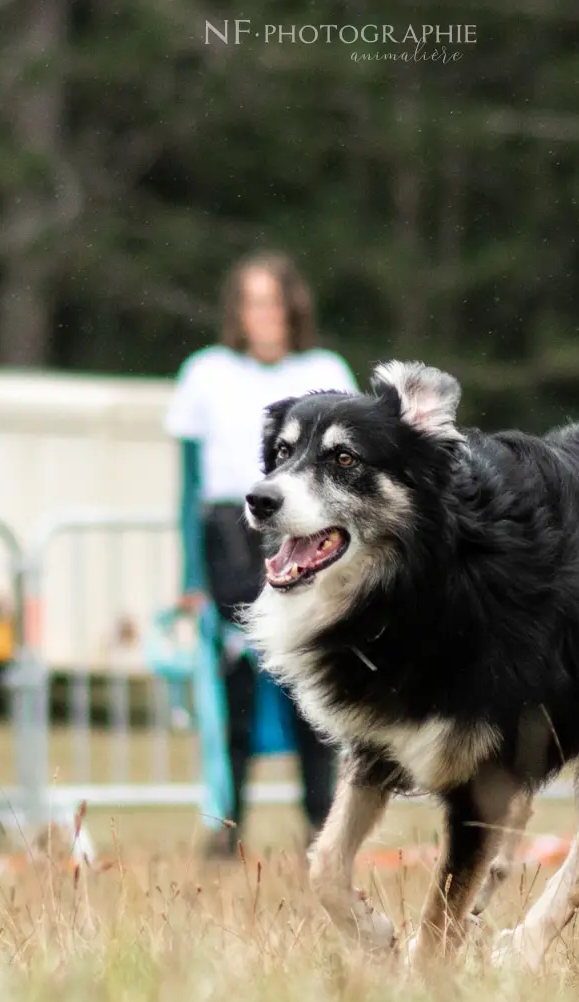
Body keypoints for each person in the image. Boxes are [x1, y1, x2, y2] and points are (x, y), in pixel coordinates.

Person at [165, 251, 356, 858]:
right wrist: (192, 576)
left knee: (311, 688)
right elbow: (188, 489)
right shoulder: (205, 374)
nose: (263, 315)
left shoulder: (324, 370)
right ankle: (226, 829)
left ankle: (321, 826)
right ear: (239, 312)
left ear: (290, 307)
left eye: (272, 302)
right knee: (234, 698)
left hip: (300, 532)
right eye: (252, 303)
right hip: (231, 538)